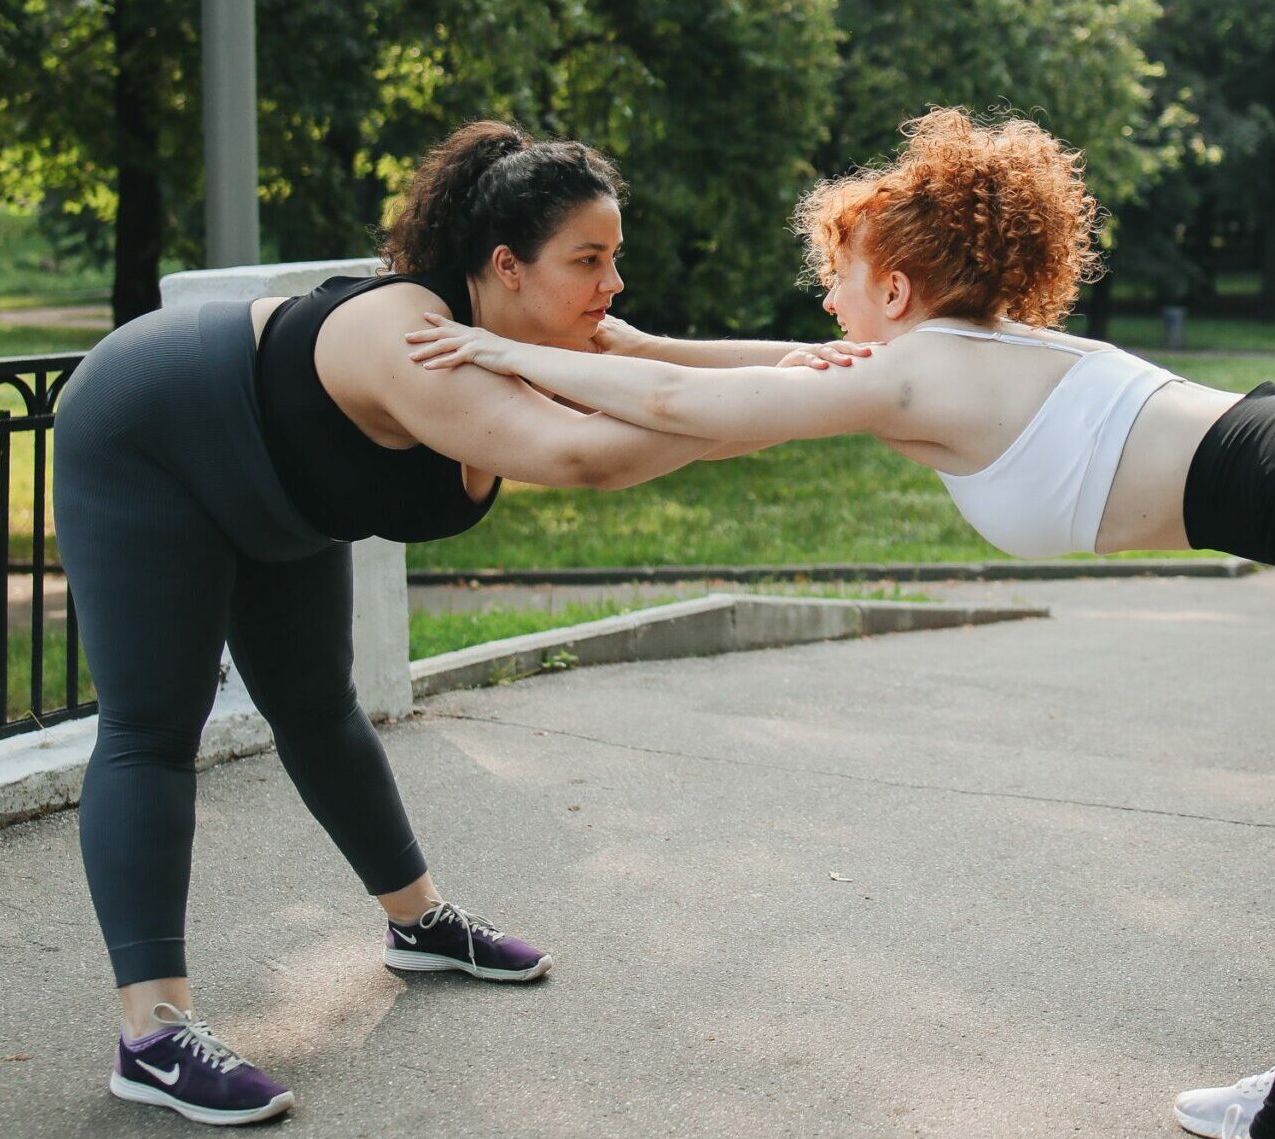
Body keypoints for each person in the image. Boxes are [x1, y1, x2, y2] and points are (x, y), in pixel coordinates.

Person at [407, 108, 1275, 1139]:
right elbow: (759, 367)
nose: (827, 305)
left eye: (837, 280)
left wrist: (506, 352)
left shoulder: (923, 371)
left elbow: (692, 411)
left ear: (892, 290)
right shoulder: (966, 349)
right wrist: (623, 345)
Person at [53, 119, 854, 1127]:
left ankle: (417, 921)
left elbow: (673, 365)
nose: (613, 285)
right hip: (151, 428)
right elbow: (588, 457)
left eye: (615, 258)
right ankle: (153, 1032)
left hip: (284, 488)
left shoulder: (543, 327)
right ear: (507, 266)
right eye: (590, 261)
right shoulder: (415, 340)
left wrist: (844, 366)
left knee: (315, 707)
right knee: (152, 727)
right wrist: (792, 412)